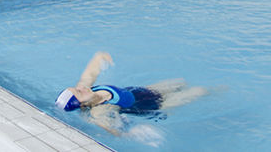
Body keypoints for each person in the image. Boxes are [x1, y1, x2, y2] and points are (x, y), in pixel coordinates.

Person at [55, 52, 209, 139]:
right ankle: (221, 89)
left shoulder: (86, 89)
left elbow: (89, 73)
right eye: (78, 92)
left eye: (77, 88)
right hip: (148, 106)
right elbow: (108, 127)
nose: (81, 87)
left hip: (141, 92)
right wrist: (129, 134)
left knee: (180, 82)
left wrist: (99, 56)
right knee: (200, 91)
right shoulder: (98, 111)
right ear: (81, 105)